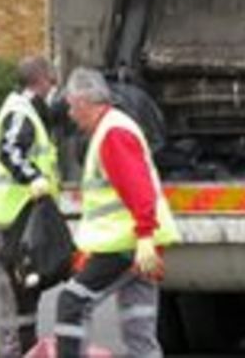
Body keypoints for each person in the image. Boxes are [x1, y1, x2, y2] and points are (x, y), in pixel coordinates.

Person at [55, 67, 181, 358]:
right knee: (139, 327)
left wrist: (145, 234)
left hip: (125, 244)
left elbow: (137, 188)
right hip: (137, 244)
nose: (71, 115)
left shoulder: (112, 134)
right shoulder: (115, 128)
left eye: (72, 107)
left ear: (85, 103)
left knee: (72, 303)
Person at [0, 55, 61, 358]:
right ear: (42, 80)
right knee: (13, 294)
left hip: (17, 215)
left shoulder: (27, 111)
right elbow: (11, 150)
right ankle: (13, 351)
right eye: (52, 81)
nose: (54, 87)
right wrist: (34, 178)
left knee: (24, 290)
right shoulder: (20, 112)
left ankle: (24, 349)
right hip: (9, 216)